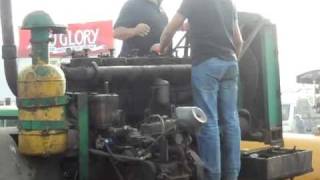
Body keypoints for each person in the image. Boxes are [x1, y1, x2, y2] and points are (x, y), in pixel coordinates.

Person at [160, 0, 243, 179]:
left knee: (208, 122)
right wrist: (231, 60)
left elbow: (169, 29)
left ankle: (212, 175)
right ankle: (233, 174)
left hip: (206, 64)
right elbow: (239, 41)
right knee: (231, 121)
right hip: (230, 62)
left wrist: (161, 48)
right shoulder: (228, 3)